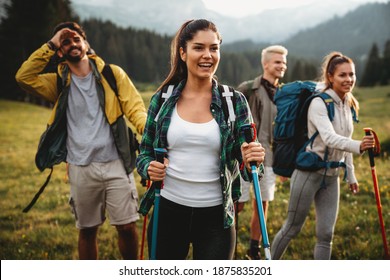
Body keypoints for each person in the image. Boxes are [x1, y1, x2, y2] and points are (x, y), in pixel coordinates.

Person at [15, 22, 147, 259]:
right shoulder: (57, 82)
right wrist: (51, 43)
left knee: (127, 227)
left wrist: (149, 132)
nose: (72, 44)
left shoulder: (112, 74)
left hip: (116, 162)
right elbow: (23, 77)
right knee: (87, 230)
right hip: (80, 166)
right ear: (59, 52)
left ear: (86, 44)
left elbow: (135, 108)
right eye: (65, 42)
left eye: (76, 39)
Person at [136, 19, 265, 260]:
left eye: (214, 48)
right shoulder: (162, 99)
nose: (208, 55)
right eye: (199, 47)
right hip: (168, 212)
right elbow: (144, 154)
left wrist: (252, 158)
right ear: (183, 53)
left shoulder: (233, 101)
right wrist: (148, 167)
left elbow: (249, 167)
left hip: (217, 218)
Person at [271, 52, 376, 260]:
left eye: (351, 75)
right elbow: (329, 138)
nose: (348, 80)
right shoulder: (319, 103)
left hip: (332, 176)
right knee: (292, 228)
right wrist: (360, 146)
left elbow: (346, 138)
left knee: (326, 234)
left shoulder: (348, 103)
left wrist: (351, 175)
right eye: (342, 75)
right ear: (330, 77)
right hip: (309, 172)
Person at [236, 45, 288, 260]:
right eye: (277, 62)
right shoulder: (248, 89)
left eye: (284, 62)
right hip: (245, 157)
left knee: (262, 203)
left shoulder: (285, 94)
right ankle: (228, 247)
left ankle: (254, 249)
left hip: (269, 158)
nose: (282, 65)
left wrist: (283, 163)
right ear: (265, 64)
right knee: (236, 203)